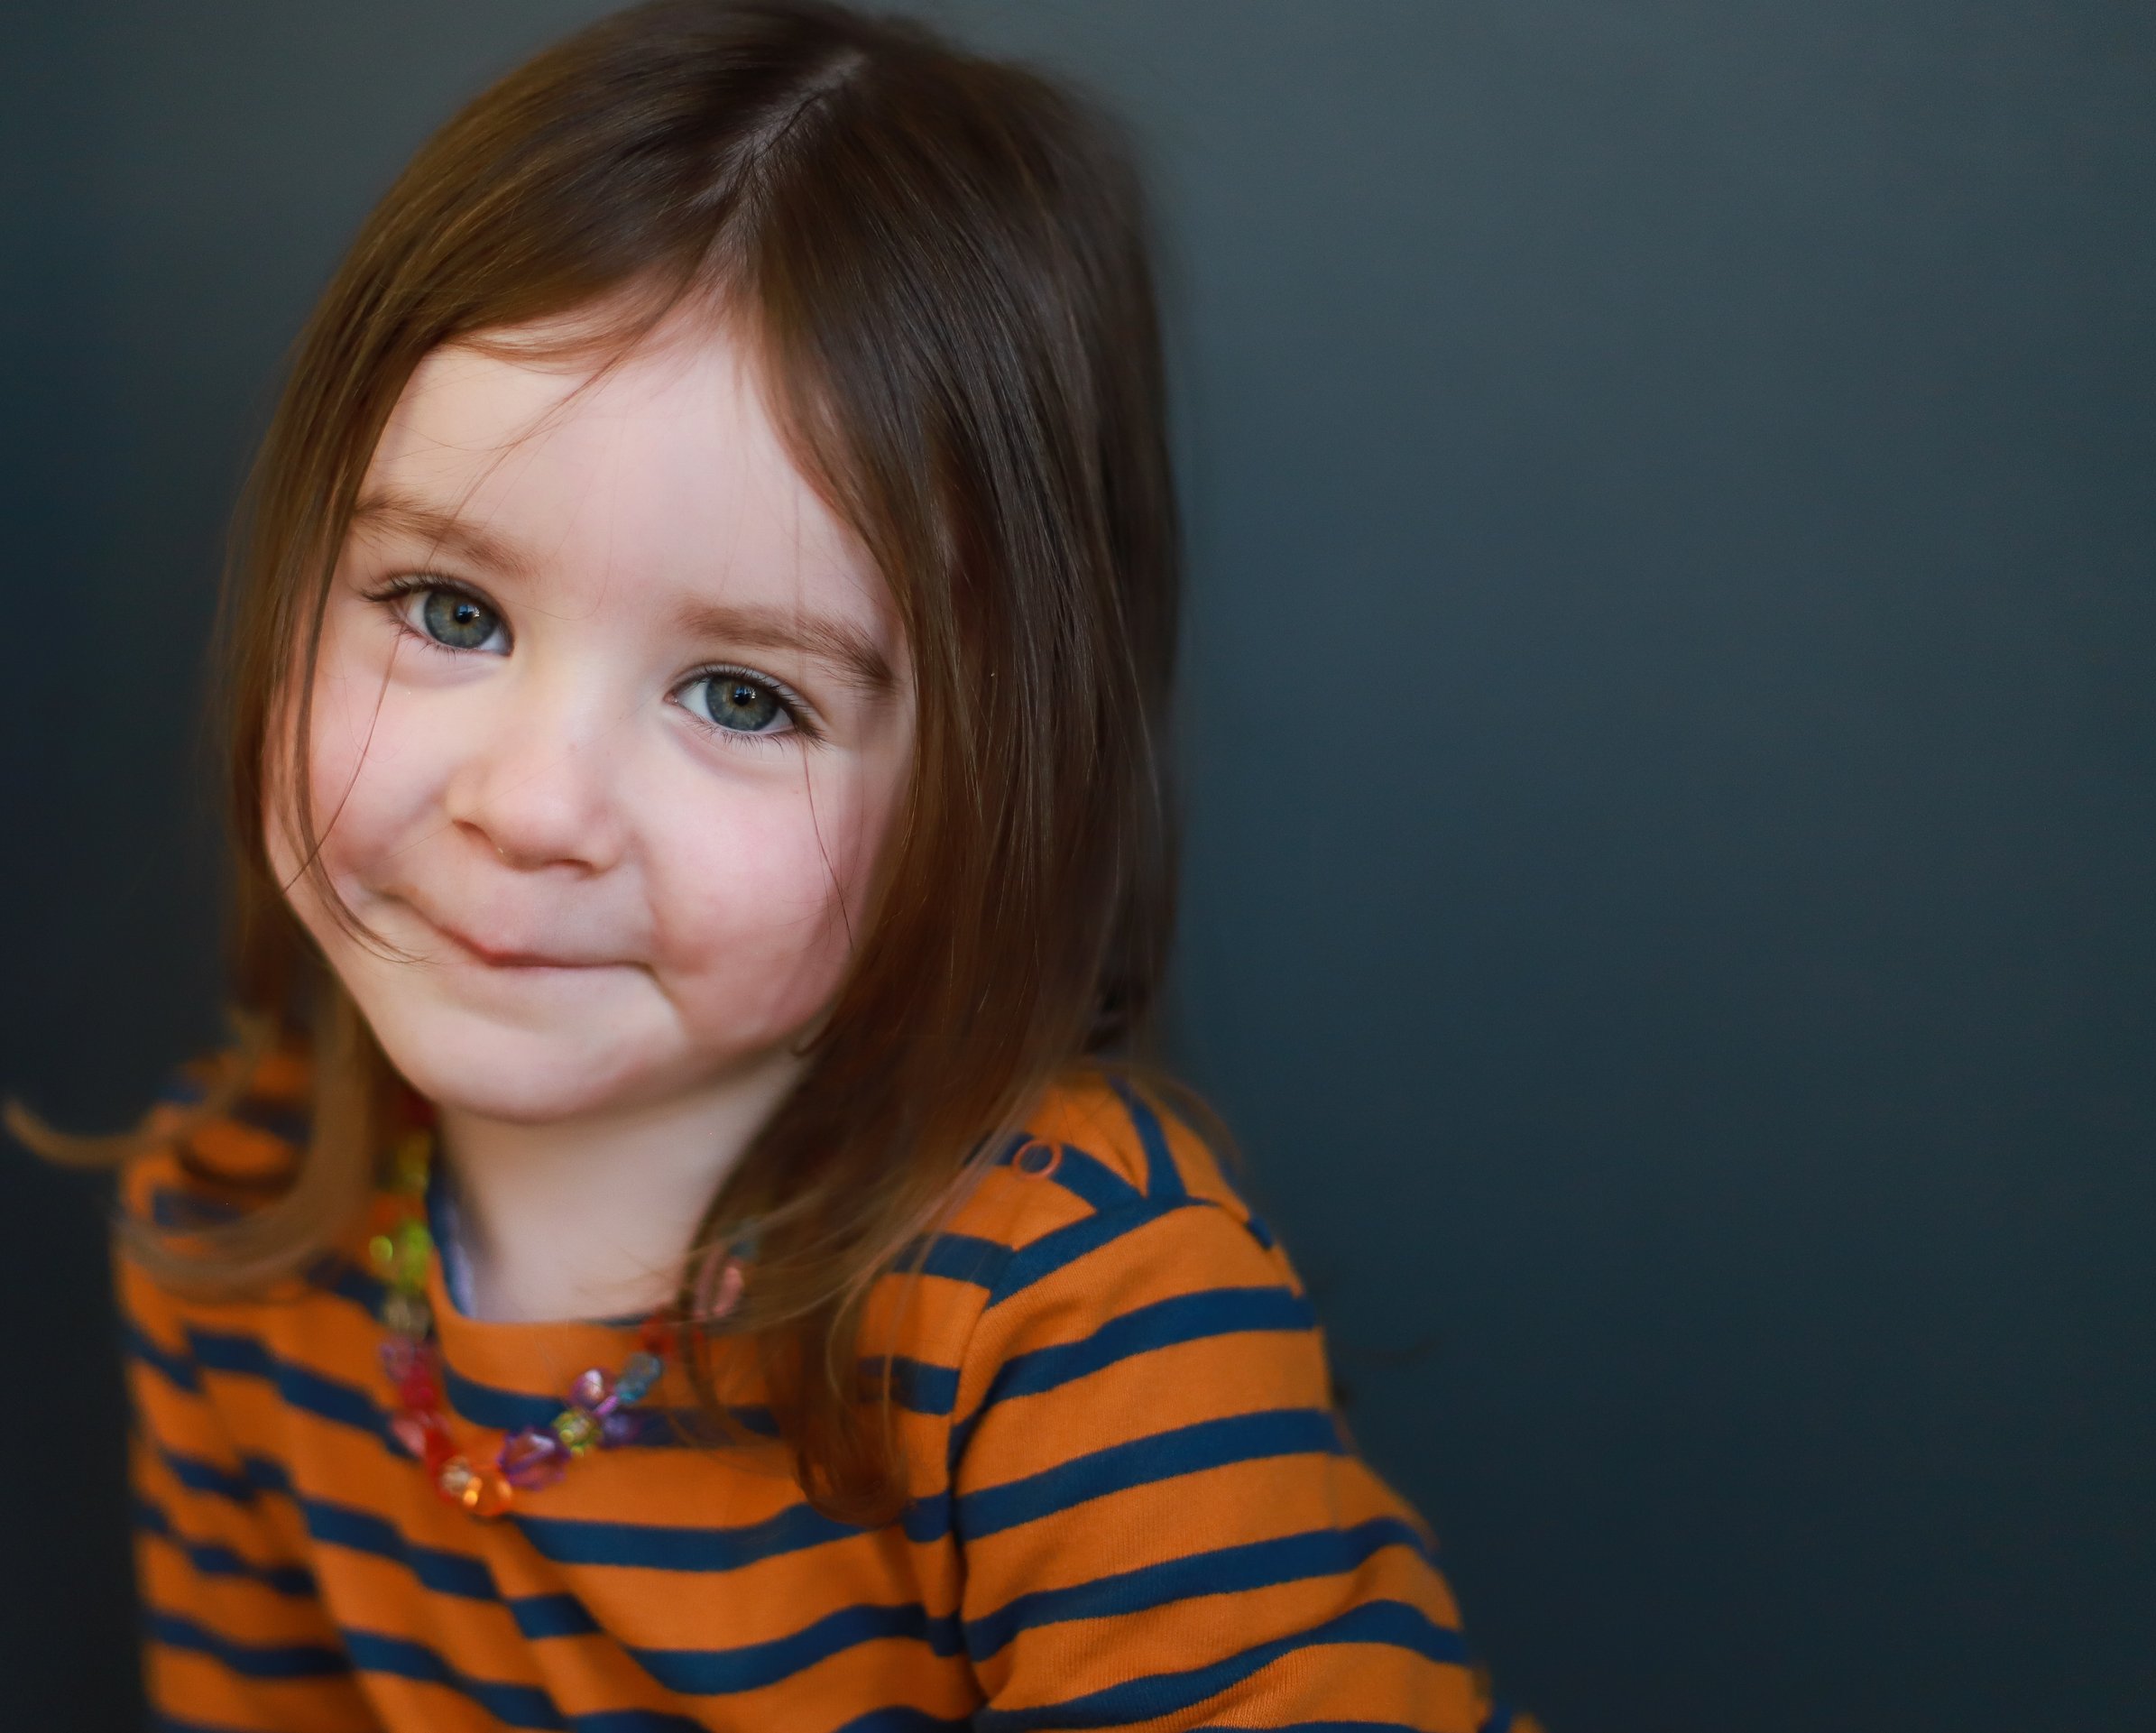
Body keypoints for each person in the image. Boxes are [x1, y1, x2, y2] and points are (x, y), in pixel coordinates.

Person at [10, 2, 1534, 1727]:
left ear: (982, 775)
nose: (532, 803)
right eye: (451, 610)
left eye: (744, 695)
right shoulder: (227, 1212)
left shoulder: (1071, 1309)